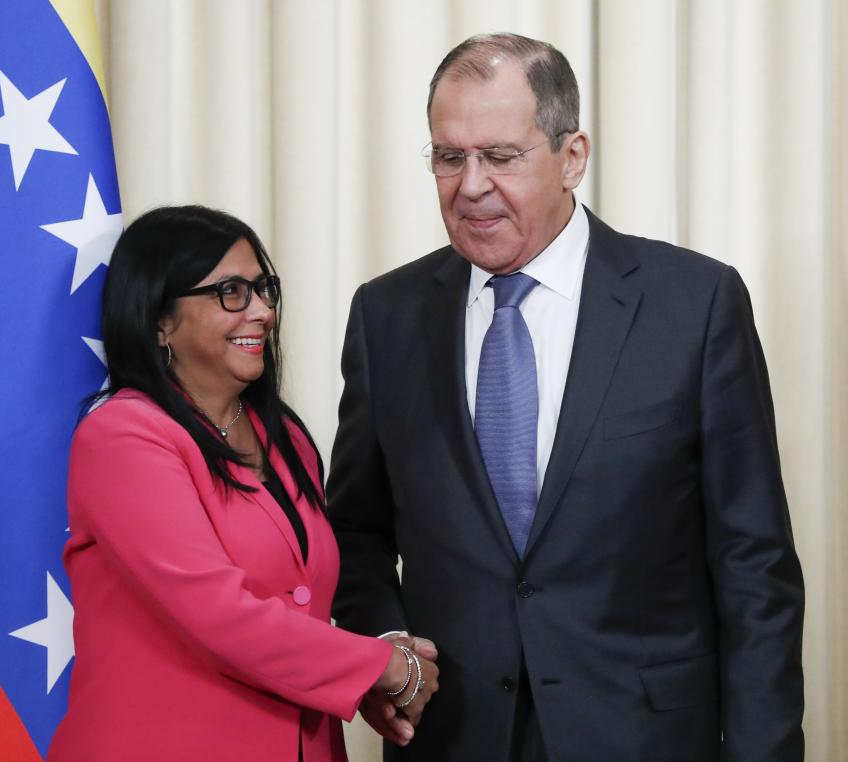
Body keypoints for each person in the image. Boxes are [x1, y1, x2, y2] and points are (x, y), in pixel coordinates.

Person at [328, 33, 804, 761]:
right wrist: (390, 647)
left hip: (644, 736)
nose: (472, 184)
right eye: (450, 157)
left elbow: (754, 568)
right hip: (453, 737)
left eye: (501, 156)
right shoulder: (386, 317)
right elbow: (354, 534)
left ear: (572, 155)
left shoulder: (693, 304)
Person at [48, 205, 437, 761]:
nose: (260, 311)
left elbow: (303, 605)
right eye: (230, 292)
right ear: (161, 320)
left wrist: (367, 678)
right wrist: (385, 666)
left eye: (263, 289)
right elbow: (219, 614)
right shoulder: (122, 436)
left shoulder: (285, 438)